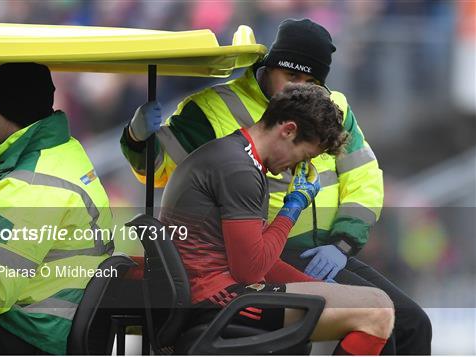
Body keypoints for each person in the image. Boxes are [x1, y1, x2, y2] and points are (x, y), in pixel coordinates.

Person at [120, 18, 431, 354]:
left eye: (311, 81)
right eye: (292, 76)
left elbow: (364, 176)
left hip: (324, 252)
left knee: (408, 322)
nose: (298, 87)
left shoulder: (332, 107)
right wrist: (139, 137)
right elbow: (158, 170)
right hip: (263, 250)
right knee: (373, 316)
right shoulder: (217, 114)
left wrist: (342, 243)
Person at [160, 83, 394, 355]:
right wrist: (293, 207)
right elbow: (251, 269)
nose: (297, 168)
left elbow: (260, 261)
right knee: (377, 311)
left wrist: (315, 287)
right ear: (288, 130)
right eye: (304, 156)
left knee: (373, 303)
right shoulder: (240, 170)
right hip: (220, 303)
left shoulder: (238, 157)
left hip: (218, 294)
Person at [0, 63, 114, 354]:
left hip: (27, 332)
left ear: (13, 113)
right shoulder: (56, 151)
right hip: (31, 321)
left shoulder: (30, 187)